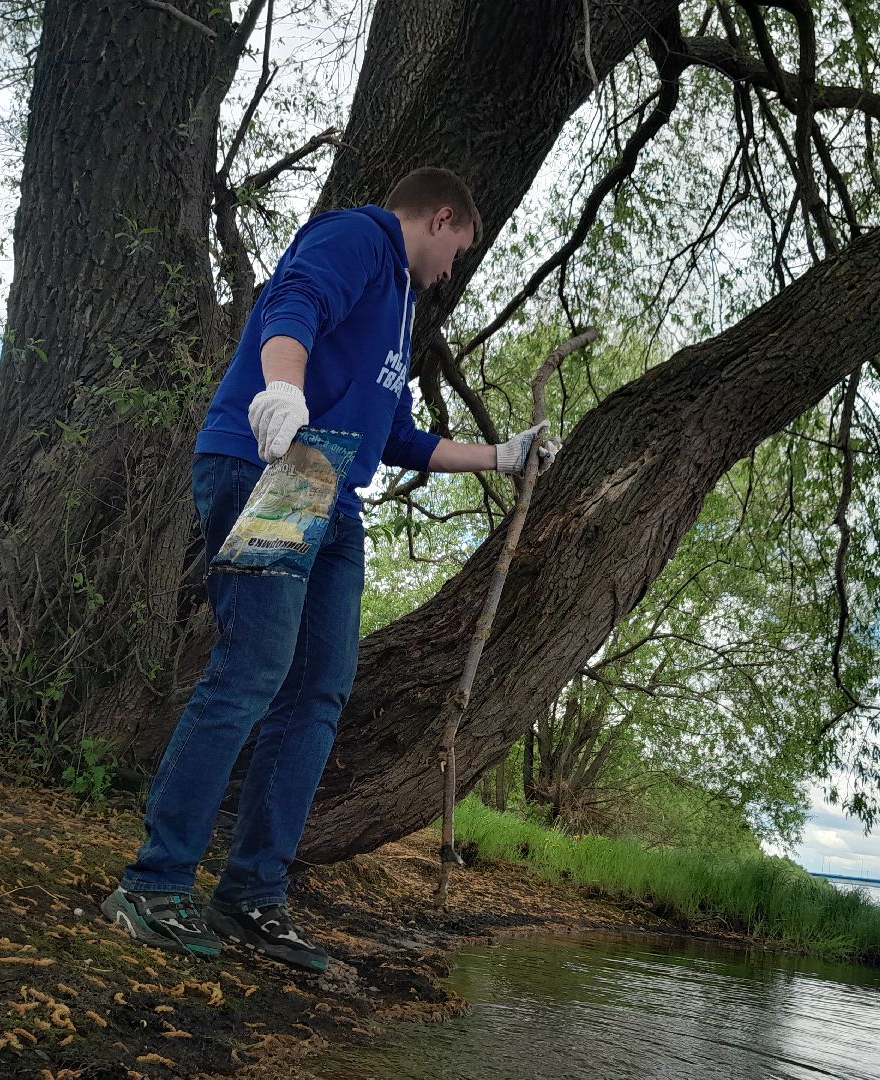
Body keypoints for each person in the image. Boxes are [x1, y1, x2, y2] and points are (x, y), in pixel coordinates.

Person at [102, 168, 554, 972]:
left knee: (319, 692)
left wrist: (503, 454)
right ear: (441, 215)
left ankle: (250, 898)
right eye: (458, 249)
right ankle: (154, 882)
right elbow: (294, 304)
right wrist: (281, 387)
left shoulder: (402, 312)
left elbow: (402, 439)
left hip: (333, 492)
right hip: (270, 464)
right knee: (252, 670)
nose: (453, 269)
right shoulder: (359, 238)